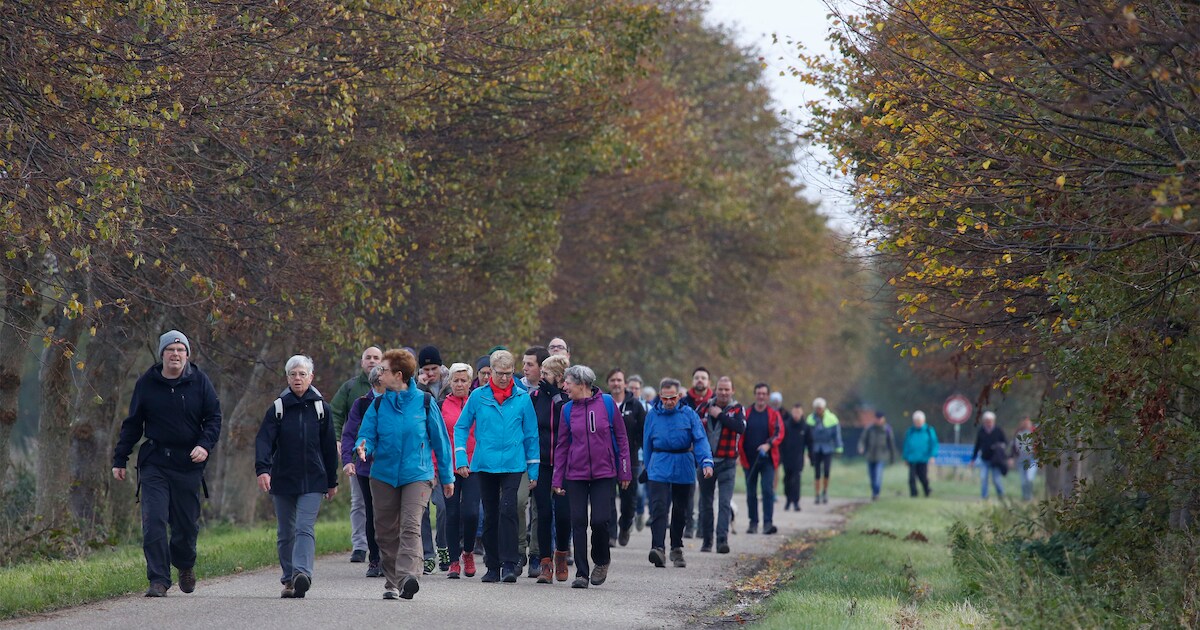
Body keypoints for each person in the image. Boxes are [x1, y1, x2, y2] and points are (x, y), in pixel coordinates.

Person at [112, 330, 222, 597]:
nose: (175, 354)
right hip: (155, 462)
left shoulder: (200, 381)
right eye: (170, 350)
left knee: (185, 525)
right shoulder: (147, 383)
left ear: (187, 354)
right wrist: (120, 458)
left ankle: (184, 564)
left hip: (189, 462)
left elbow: (214, 419)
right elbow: (133, 423)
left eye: (180, 350)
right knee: (154, 521)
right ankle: (158, 579)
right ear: (162, 355)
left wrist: (204, 445)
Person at [356, 348, 455, 600]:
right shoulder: (378, 403)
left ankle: (409, 576)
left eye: (385, 369)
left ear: (398, 375)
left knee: (411, 526)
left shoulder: (424, 402)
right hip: (383, 475)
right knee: (385, 531)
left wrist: (447, 477)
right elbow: (367, 433)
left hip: (417, 474)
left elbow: (441, 441)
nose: (380, 372)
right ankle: (392, 581)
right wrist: (364, 445)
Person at [255, 355, 339, 598]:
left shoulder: (321, 408)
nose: (298, 378)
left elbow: (328, 448)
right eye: (293, 374)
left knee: (304, 527)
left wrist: (331, 481)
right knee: (285, 532)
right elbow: (264, 440)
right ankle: (289, 579)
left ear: (311, 377)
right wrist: (263, 469)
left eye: (302, 374)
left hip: (313, 480)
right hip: (283, 479)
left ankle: (302, 574)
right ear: (287, 378)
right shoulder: (278, 408)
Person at [453, 349, 540, 584]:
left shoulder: (522, 398)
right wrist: (461, 459)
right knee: (490, 514)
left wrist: (533, 470)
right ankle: (492, 566)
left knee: (509, 509)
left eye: (509, 374)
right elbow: (461, 428)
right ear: (490, 372)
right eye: (500, 373)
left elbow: (531, 435)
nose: (505, 378)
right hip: (485, 463)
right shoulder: (478, 396)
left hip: (513, 462)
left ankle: (510, 564)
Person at [552, 365, 632, 588]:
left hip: (604, 473)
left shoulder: (606, 404)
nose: (564, 387)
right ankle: (581, 573)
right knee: (578, 522)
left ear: (582, 384)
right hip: (575, 474)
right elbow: (562, 447)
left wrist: (624, 470)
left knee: (599, 521)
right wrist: (557, 479)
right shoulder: (567, 410)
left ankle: (601, 561)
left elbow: (622, 438)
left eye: (568, 383)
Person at [643, 377, 713, 569]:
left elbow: (700, 440)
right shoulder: (652, 415)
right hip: (659, 463)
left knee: (680, 510)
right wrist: (647, 468)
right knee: (658, 507)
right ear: (660, 397)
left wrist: (706, 462)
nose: (668, 402)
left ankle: (676, 546)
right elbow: (647, 443)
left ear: (679, 396)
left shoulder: (689, 415)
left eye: (672, 398)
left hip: (683, 463)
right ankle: (658, 547)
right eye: (665, 398)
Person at [329, 346, 382, 564]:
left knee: (382, 505)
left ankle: (382, 548)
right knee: (359, 501)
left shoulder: (393, 390)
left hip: (384, 458)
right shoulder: (352, 389)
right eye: (367, 358)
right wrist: (339, 441)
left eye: (376, 358)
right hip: (358, 455)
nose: (371, 361)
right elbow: (336, 413)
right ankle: (360, 545)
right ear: (361, 363)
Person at [340, 365, 387, 578]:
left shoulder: (395, 402)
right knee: (371, 512)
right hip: (366, 468)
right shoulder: (361, 404)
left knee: (387, 514)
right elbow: (349, 433)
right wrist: (347, 461)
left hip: (389, 467)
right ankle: (374, 559)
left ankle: (389, 558)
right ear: (376, 382)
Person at [531, 354, 572, 583]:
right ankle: (544, 562)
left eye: (546, 373)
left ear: (557, 377)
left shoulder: (568, 397)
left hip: (565, 465)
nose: (541, 377)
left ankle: (561, 556)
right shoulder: (536, 397)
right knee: (543, 512)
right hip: (542, 463)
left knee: (564, 515)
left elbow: (569, 419)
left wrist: (556, 396)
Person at [696, 376, 745, 553]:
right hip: (706, 463)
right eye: (720, 389)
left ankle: (722, 540)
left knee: (724, 503)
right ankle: (707, 541)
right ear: (715, 390)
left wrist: (720, 415)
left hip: (728, 463)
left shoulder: (738, 409)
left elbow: (740, 428)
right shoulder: (702, 408)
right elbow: (694, 430)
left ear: (732, 391)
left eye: (727, 390)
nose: (724, 393)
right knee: (706, 503)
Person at [442, 363, 480, 579]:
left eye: (463, 380)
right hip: (450, 467)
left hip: (474, 465)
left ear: (469, 382)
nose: (459, 384)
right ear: (450, 382)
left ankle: (468, 551)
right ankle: (454, 560)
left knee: (471, 512)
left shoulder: (477, 403)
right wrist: (438, 467)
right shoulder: (441, 405)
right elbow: (437, 437)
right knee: (452, 513)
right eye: (455, 380)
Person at [518, 346, 550, 576]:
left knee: (540, 508)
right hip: (518, 455)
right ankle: (519, 550)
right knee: (519, 504)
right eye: (524, 363)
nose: (525, 368)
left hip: (543, 457)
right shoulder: (516, 389)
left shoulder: (550, 393)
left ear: (541, 367)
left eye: (530, 364)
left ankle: (537, 555)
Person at [606, 368, 646, 547]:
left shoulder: (635, 405)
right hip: (606, 460)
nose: (616, 383)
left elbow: (643, 432)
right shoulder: (602, 402)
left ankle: (625, 526)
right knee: (607, 499)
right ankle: (611, 534)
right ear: (608, 383)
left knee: (629, 500)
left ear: (624, 383)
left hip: (630, 460)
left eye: (619, 380)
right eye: (613, 380)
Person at [740, 383, 784, 534]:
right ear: (755, 395)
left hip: (767, 460)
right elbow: (739, 434)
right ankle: (753, 523)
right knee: (751, 492)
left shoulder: (773, 414)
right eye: (758, 393)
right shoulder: (746, 413)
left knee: (767, 490)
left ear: (767, 396)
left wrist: (768, 445)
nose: (761, 396)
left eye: (764, 394)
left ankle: (767, 523)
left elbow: (779, 433)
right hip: (749, 460)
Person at [680, 367, 714, 538]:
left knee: (705, 492)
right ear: (692, 381)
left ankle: (702, 525)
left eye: (703, 377)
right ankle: (689, 525)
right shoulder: (684, 401)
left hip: (707, 453)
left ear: (709, 382)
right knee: (688, 490)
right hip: (687, 452)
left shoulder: (715, 402)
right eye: (697, 377)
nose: (700, 380)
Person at [807, 397, 843, 504]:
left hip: (828, 448)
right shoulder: (810, 419)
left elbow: (837, 435)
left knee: (826, 471)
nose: (818, 410)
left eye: (820, 408)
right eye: (817, 408)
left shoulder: (832, 419)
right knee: (817, 472)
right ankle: (817, 493)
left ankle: (825, 491)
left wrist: (839, 448)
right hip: (815, 448)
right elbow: (808, 436)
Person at [858, 411, 897, 501]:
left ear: (883, 419)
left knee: (878, 475)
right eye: (877, 418)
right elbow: (862, 440)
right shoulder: (869, 429)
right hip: (870, 455)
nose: (878, 420)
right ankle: (874, 491)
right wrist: (861, 448)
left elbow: (891, 444)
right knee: (872, 476)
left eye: (880, 419)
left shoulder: (887, 429)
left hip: (881, 456)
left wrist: (892, 457)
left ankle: (876, 493)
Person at [972, 411, 1008, 499]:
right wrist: (973, 459)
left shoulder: (998, 430)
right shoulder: (981, 431)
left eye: (990, 421)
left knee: (996, 480)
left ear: (993, 421)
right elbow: (977, 445)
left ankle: (1001, 495)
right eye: (987, 421)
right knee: (984, 478)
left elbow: (1005, 443)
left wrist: (999, 447)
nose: (988, 423)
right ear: (984, 421)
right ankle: (984, 496)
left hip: (995, 460)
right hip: (985, 459)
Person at [903, 410, 938, 497]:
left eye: (919, 421)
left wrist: (932, 455)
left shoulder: (929, 430)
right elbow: (906, 444)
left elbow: (934, 443)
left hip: (923, 458)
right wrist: (905, 457)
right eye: (916, 421)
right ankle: (914, 494)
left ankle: (927, 490)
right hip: (912, 458)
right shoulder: (910, 431)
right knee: (911, 478)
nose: (917, 423)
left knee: (923, 477)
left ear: (923, 421)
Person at [780, 403, 808, 511]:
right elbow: (781, 442)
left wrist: (811, 456)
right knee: (787, 479)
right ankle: (788, 499)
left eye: (798, 412)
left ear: (801, 413)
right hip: (787, 458)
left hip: (798, 458)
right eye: (795, 412)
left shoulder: (805, 427)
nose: (796, 415)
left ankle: (796, 502)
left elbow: (809, 442)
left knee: (796, 480)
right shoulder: (786, 425)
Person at [1010, 417, 1037, 501]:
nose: (1026, 425)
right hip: (1021, 459)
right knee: (1023, 480)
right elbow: (1013, 446)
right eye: (1024, 423)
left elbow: (1039, 445)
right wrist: (1011, 457)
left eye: (1027, 423)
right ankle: (1025, 496)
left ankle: (1029, 495)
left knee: (1029, 478)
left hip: (1032, 459)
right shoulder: (1018, 433)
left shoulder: (1034, 433)